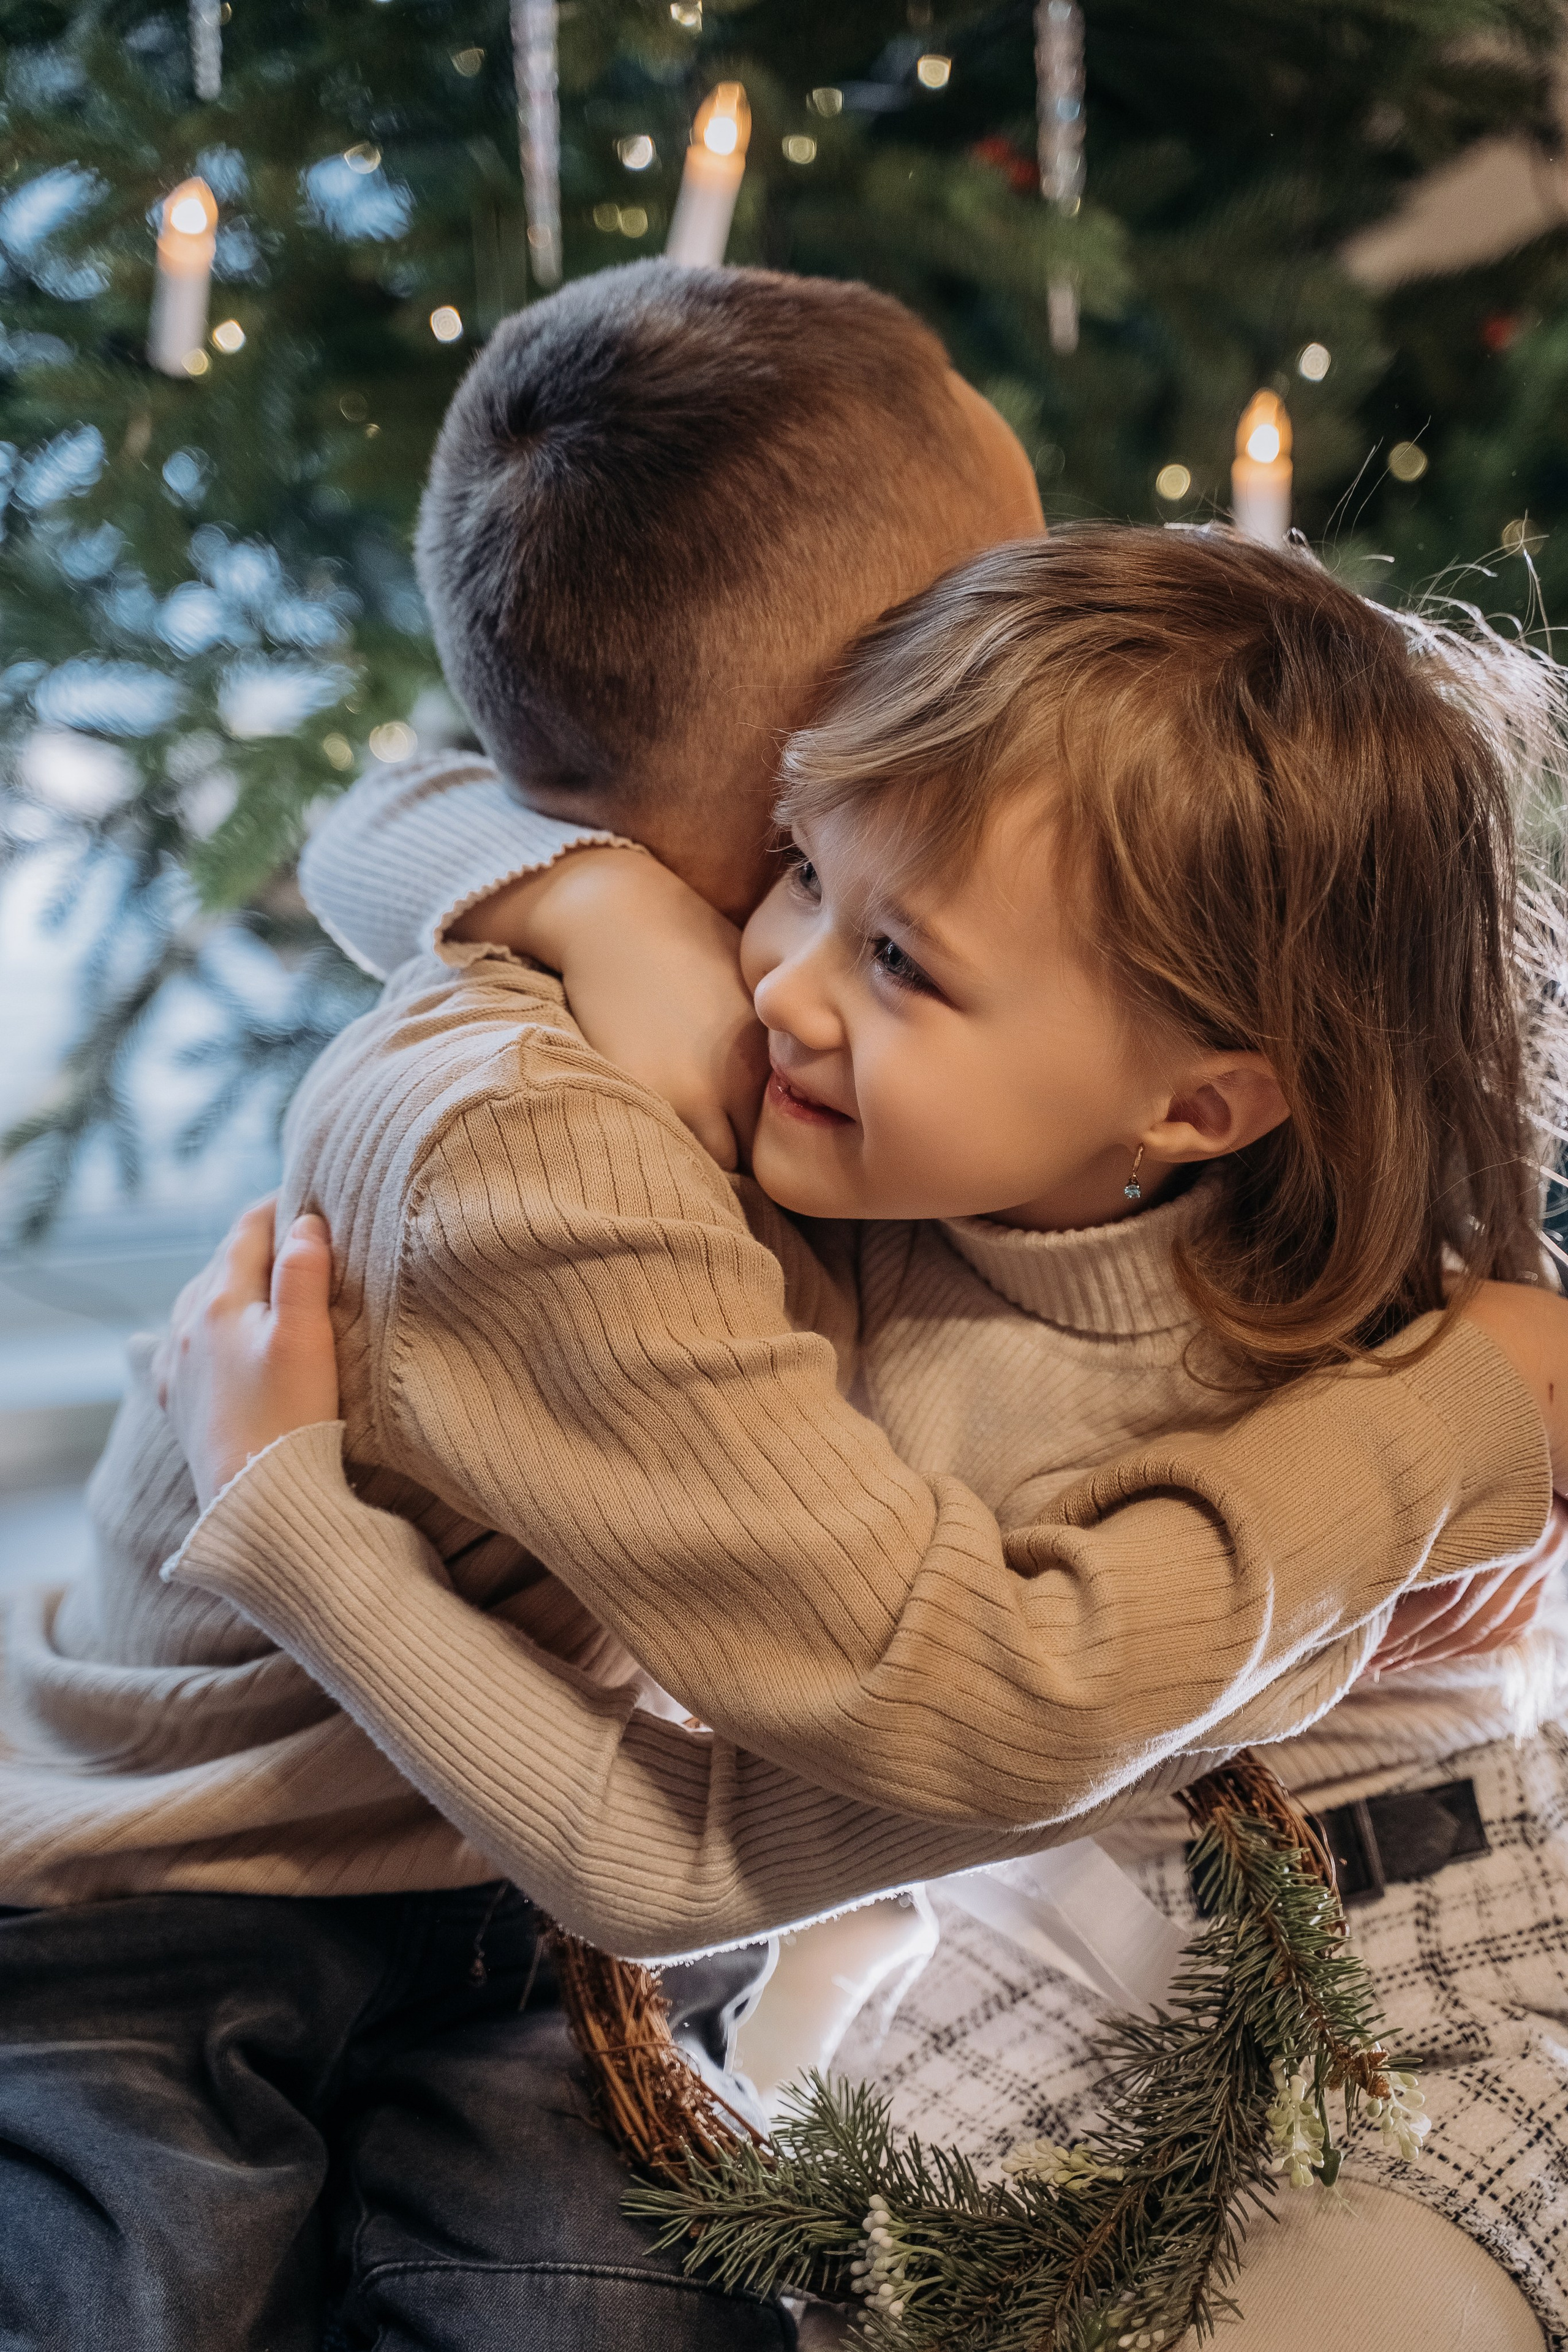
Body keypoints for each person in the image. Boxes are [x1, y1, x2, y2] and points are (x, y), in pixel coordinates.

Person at [0, 266, 1560, 2351]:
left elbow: (420, 798)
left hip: (529, 1912)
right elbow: (949, 1712)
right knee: (131, 2296)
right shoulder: (582, 1142)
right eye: (986, 607)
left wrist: (584, 879)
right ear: (829, 732)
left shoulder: (901, 1013)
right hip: (176, 1885)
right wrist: (1447, 1430)